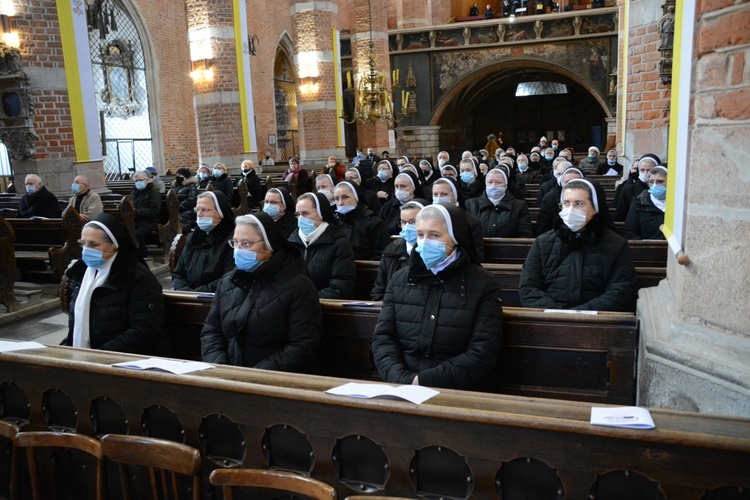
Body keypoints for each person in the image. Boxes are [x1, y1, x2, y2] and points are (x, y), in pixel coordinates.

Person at [371, 203, 502, 390]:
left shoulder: (484, 284)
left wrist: (423, 382)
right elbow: (383, 338)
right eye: (420, 235)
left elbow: (482, 352)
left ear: (456, 238)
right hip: (400, 385)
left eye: (434, 235)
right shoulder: (400, 279)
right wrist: (402, 379)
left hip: (457, 390)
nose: (424, 242)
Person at [200, 212, 321, 372]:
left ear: (269, 245)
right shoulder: (228, 281)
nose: (238, 250)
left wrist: (253, 376)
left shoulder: (298, 286)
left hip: (272, 381)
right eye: (235, 243)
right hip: (227, 377)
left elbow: (302, 345)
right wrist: (221, 369)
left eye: (246, 244)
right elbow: (211, 331)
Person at [519, 179, 636, 311]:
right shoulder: (543, 242)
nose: (570, 210)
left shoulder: (617, 245)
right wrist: (557, 314)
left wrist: (580, 314)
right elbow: (528, 287)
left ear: (595, 208)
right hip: (549, 319)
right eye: (566, 203)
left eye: (579, 204)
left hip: (597, 322)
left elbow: (620, 290)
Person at [63, 213, 169, 355]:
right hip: (87, 356)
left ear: (115, 245)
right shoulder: (80, 274)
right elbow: (76, 323)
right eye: (83, 244)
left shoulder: (138, 278)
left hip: (122, 359)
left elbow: (144, 329)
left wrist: (99, 356)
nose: (86, 250)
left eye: (93, 244)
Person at [288, 192, 356, 298]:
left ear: (321, 214)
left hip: (322, 305)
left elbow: (341, 286)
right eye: (297, 214)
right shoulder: (292, 242)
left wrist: (308, 301)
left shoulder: (338, 243)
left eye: (305, 213)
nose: (301, 219)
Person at [172, 191, 235, 292]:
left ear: (220, 212)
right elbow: (178, 273)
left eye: (205, 210)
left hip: (215, 299)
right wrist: (186, 293)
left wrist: (195, 295)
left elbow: (228, 278)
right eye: (197, 210)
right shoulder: (193, 238)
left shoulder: (233, 240)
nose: (199, 214)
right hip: (186, 297)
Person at [371, 201, 424, 300]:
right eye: (403, 222)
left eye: (413, 222)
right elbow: (378, 292)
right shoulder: (391, 250)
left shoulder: (433, 252)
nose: (407, 227)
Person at [465, 168, 532, 238]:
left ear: (506, 185)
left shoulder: (519, 206)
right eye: (490, 182)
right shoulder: (471, 204)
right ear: (485, 184)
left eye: (499, 182)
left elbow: (525, 235)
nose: (494, 185)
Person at [432, 177, 485, 260]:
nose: (439, 198)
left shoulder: (471, 223)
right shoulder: (427, 220)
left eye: (444, 194)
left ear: (454, 196)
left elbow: (477, 256)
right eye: (435, 194)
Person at [334, 181, 390, 260]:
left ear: (356, 198)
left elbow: (381, 255)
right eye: (336, 198)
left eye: (345, 197)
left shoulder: (374, 223)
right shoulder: (333, 222)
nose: (340, 203)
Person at [623, 166, 668, 240]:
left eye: (660, 182)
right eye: (651, 182)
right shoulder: (639, 203)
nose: (655, 185)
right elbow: (629, 232)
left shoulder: (679, 204)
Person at [615, 155, 660, 221]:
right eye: (642, 170)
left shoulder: (661, 190)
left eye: (649, 170)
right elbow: (620, 216)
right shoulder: (628, 190)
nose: (645, 173)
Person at [129, 170, 162, 257]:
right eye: (136, 181)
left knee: (138, 233)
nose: (138, 183)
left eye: (140, 180)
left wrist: (137, 211)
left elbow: (155, 211)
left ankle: (142, 255)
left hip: (149, 222)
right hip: (135, 220)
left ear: (146, 180)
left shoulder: (154, 193)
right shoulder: (133, 193)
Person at [172, 167, 199, 233]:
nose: (177, 177)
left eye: (180, 175)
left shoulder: (191, 186)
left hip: (187, 210)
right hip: (175, 209)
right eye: (177, 175)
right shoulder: (176, 186)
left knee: (178, 220)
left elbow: (192, 200)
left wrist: (178, 207)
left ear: (185, 176)